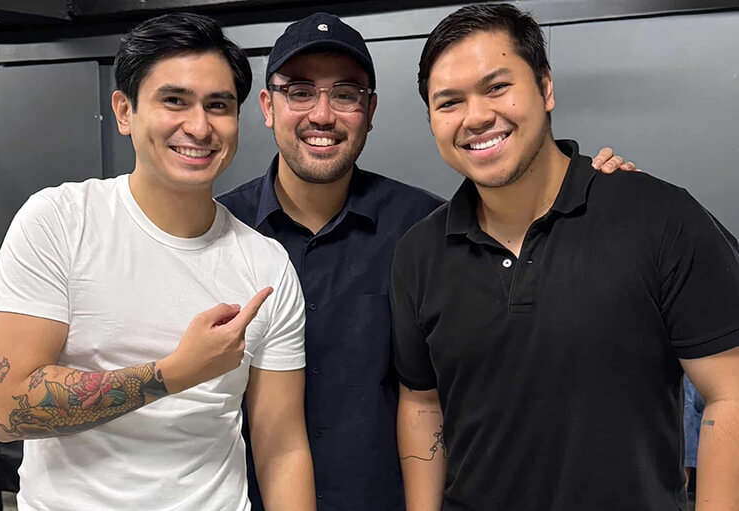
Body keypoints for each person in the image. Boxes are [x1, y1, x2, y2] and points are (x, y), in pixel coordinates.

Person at [217, 11, 631, 511]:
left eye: (345, 94)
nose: (322, 115)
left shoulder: (429, 230)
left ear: (370, 110)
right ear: (267, 105)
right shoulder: (219, 233)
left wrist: (597, 191)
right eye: (299, 92)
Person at [390, 4, 739, 510]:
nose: (476, 116)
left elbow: (729, 392)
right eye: (449, 102)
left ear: (545, 88)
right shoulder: (418, 253)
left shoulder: (658, 217)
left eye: (497, 87)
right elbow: (422, 403)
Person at [0, 13, 314, 511]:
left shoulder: (266, 265)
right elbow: (5, 409)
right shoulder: (60, 222)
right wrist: (175, 372)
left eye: (218, 105)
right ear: (124, 111)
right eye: (174, 101)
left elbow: (281, 448)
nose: (199, 127)